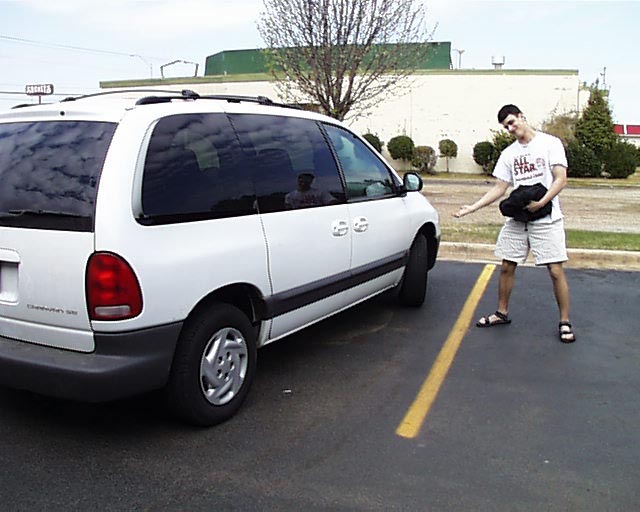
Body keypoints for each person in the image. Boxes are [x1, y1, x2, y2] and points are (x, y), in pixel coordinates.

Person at [454, 104, 576, 343]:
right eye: (506, 126)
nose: (510, 128)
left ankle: (565, 321)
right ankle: (502, 313)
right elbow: (500, 188)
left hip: (547, 217)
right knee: (507, 266)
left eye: (512, 122)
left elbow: (561, 179)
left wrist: (542, 202)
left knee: (555, 270)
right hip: (519, 218)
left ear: (522, 116)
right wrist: (472, 208)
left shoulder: (549, 143)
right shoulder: (509, 154)